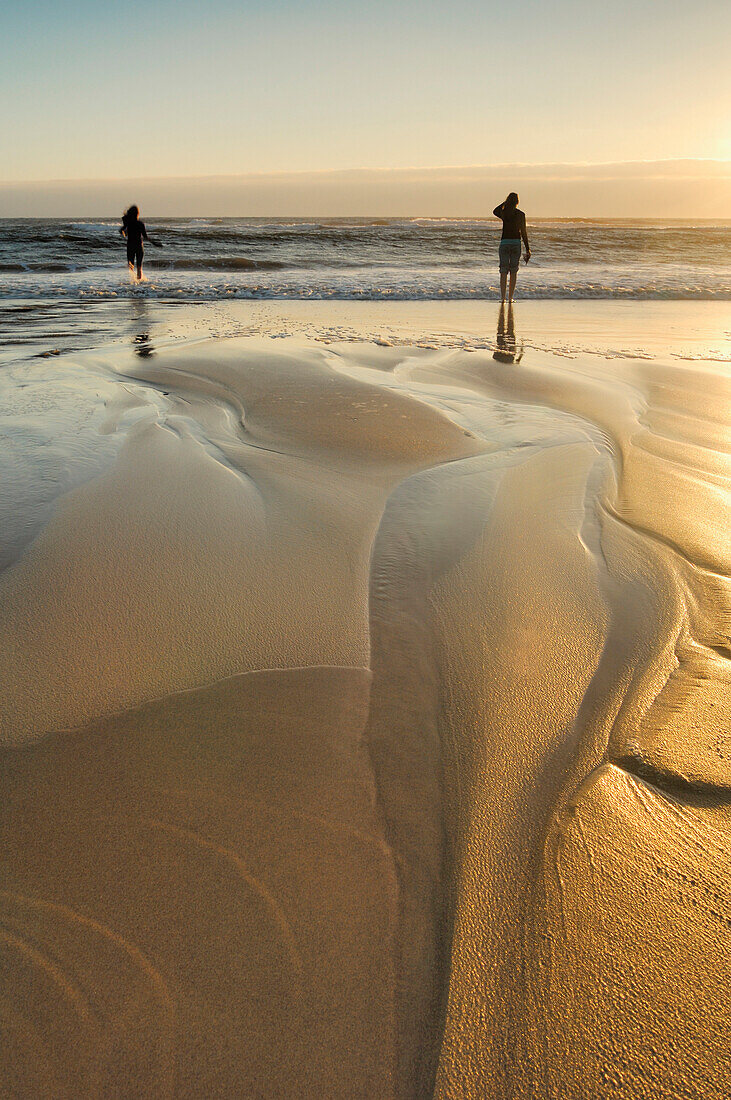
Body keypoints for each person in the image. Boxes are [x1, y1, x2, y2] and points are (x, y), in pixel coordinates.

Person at [492, 192, 530, 302]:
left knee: (503, 271)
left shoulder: (504, 213)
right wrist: (527, 248)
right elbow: (524, 232)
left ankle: (503, 298)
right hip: (516, 243)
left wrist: (505, 203)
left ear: (508, 201)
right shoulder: (521, 214)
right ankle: (511, 298)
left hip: (504, 243)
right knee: (514, 271)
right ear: (517, 202)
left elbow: (495, 211)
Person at [119, 205, 162, 281]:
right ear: (137, 214)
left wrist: (124, 234)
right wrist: (154, 243)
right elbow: (145, 237)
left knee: (131, 266)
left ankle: (133, 282)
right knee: (139, 267)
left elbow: (121, 230)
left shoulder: (128, 223)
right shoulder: (140, 224)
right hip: (139, 246)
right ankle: (139, 283)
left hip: (130, 246)